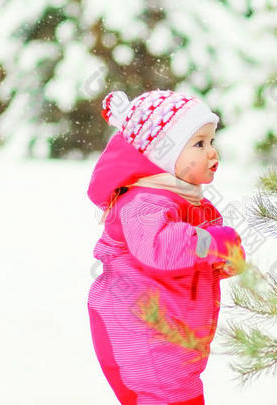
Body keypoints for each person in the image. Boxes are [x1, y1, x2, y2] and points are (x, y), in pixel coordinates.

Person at [86, 89, 246, 405]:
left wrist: (225, 259)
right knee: (173, 397)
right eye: (199, 144)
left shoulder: (191, 201)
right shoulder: (143, 202)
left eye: (211, 142)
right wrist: (214, 244)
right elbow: (160, 246)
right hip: (142, 332)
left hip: (172, 332)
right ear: (161, 153)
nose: (212, 152)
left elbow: (196, 255)